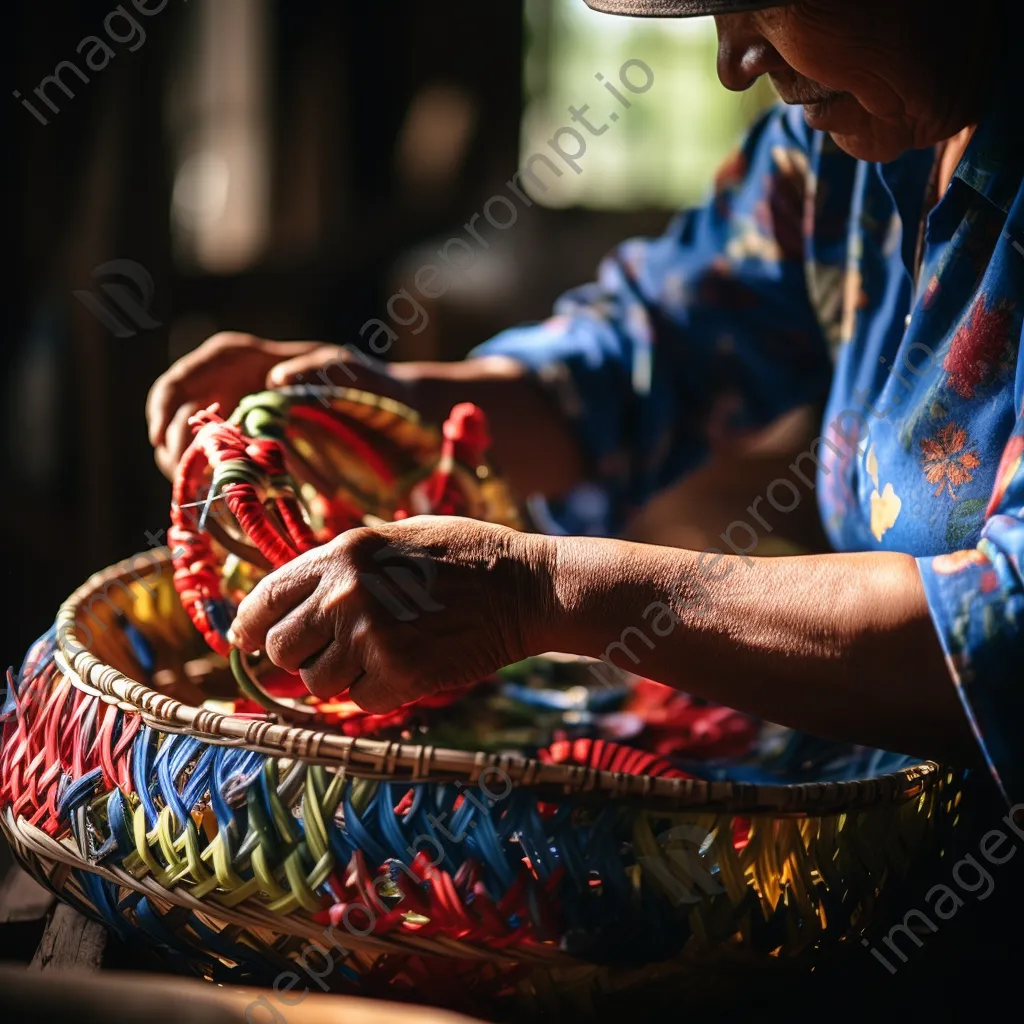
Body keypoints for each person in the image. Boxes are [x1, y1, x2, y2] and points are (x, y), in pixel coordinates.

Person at [147, 0, 1023, 804]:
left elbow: (1003, 628)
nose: (734, 61)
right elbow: (644, 357)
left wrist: (541, 592)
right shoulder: (842, 152)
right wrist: (384, 410)